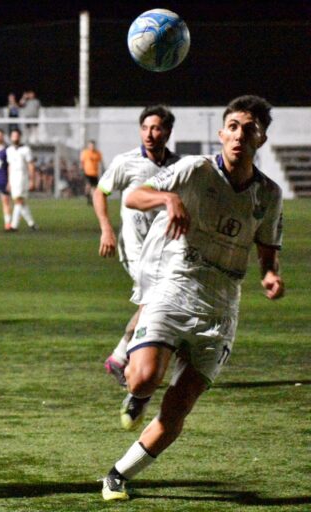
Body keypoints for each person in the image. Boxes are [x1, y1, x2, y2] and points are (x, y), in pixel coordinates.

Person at [100, 95, 284, 501]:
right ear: (222, 134)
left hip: (222, 307)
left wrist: (270, 275)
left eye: (249, 129)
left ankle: (117, 475)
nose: (239, 135)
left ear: (262, 138)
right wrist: (168, 198)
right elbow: (133, 196)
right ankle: (135, 391)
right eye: (233, 127)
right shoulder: (196, 169)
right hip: (177, 284)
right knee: (145, 377)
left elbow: (267, 248)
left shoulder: (268, 195)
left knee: (178, 409)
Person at [92, 105, 180, 387]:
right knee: (155, 300)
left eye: (155, 128)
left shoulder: (177, 166)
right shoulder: (126, 162)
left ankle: (121, 358)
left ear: (167, 131)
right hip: (135, 248)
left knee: (155, 303)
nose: (149, 134)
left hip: (164, 249)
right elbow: (100, 192)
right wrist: (106, 228)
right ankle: (122, 358)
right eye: (145, 128)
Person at [6, 128, 37, 230]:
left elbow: (31, 165)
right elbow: (9, 165)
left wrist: (32, 179)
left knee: (19, 200)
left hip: (22, 176)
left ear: (20, 137)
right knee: (20, 201)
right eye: (13, 136)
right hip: (13, 177)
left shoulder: (26, 149)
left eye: (16, 136)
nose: (15, 138)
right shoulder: (9, 150)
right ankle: (32, 224)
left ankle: (14, 225)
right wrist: (9, 181)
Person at [80, 139, 103, 205]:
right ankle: (88, 196)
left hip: (95, 173)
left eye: (93, 145)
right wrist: (81, 169)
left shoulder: (98, 153)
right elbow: (82, 162)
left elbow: (100, 162)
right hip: (87, 172)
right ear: (88, 146)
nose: (92, 147)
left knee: (94, 188)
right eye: (90, 145)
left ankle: (91, 199)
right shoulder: (85, 153)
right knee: (89, 185)